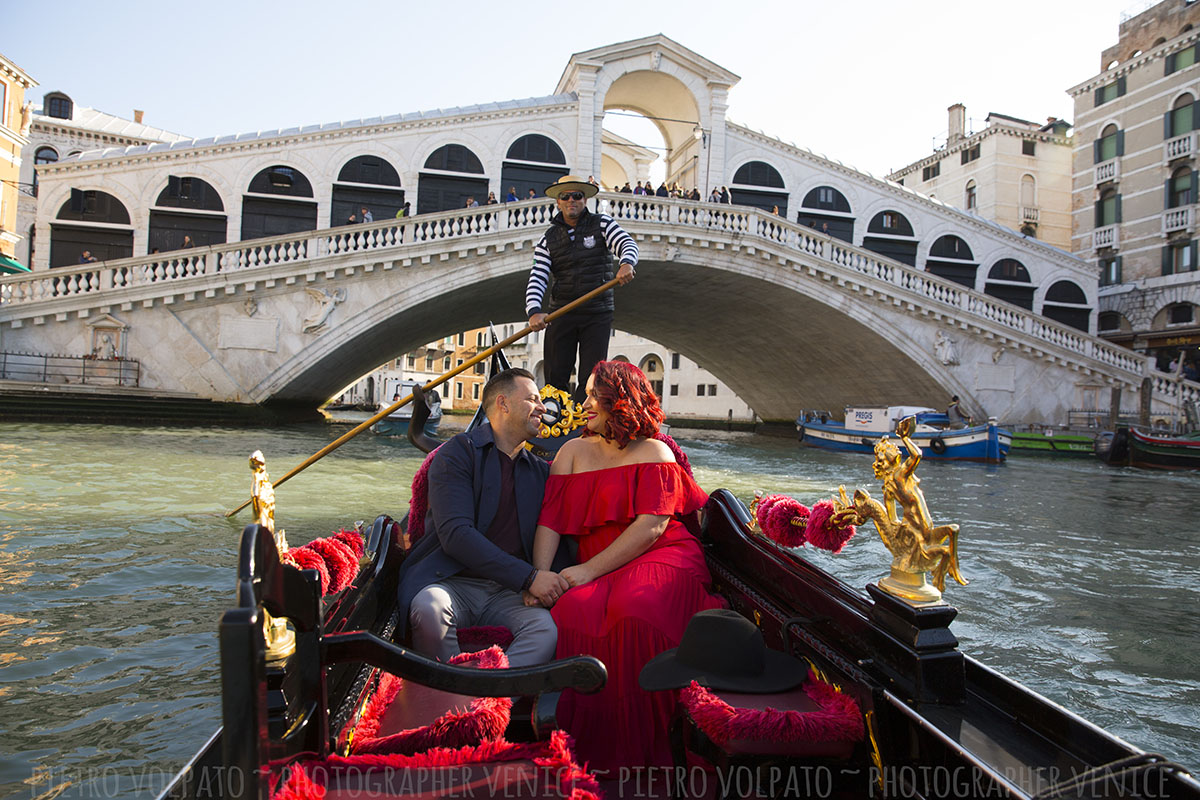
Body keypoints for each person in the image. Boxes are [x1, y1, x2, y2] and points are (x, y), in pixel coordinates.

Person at [531, 361, 725, 771]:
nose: (583, 404)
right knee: (571, 610)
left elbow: (653, 527)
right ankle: (588, 749)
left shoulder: (655, 451)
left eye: (591, 396)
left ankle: (657, 747)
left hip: (661, 556)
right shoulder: (571, 452)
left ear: (617, 401)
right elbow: (549, 519)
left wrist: (586, 571)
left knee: (637, 608)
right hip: (603, 565)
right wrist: (538, 578)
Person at [395, 368, 572, 667]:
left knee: (545, 631)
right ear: (502, 404)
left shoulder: (542, 472)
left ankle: (486, 702)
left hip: (508, 593)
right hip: (452, 581)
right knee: (429, 608)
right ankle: (453, 700)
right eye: (532, 399)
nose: (543, 408)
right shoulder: (456, 455)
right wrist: (529, 578)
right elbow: (456, 535)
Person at [525, 176, 638, 402]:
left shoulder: (602, 224)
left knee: (592, 377)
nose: (571, 200)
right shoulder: (547, 239)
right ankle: (556, 423)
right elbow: (538, 276)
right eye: (565, 196)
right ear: (558, 202)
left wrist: (626, 262)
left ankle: (583, 423)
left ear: (584, 200)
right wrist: (534, 311)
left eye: (576, 195)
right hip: (561, 312)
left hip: (597, 312)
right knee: (555, 377)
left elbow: (627, 243)